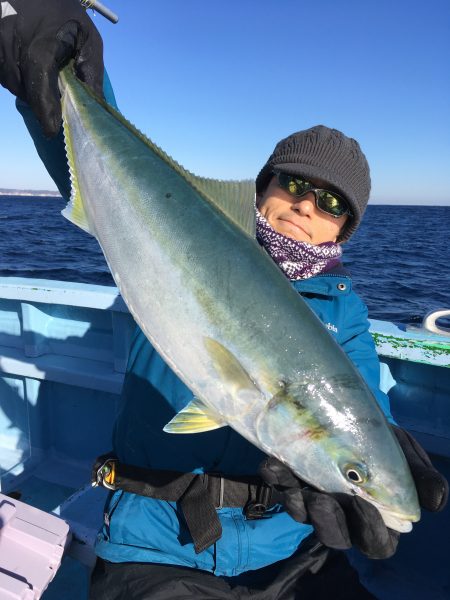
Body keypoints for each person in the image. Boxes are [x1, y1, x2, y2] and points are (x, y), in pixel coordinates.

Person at [1, 2, 448, 599]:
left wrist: (374, 460)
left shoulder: (344, 314)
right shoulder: (187, 231)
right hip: (155, 543)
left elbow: (358, 403)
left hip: (289, 552)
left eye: (332, 204)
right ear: (261, 194)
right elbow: (95, 157)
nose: (307, 207)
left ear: (344, 232)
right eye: (293, 185)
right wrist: (57, 54)